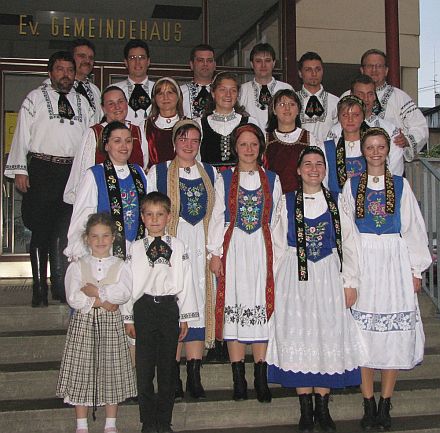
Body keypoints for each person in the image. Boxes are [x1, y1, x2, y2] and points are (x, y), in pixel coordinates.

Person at [266, 146, 365, 432]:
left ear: (325, 169)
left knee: (327, 337)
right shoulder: (286, 202)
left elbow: (350, 243)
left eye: (319, 163)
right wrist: (273, 286)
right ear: (297, 170)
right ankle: (305, 409)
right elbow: (276, 245)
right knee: (300, 338)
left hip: (328, 277)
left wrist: (350, 282)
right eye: (307, 164)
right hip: (294, 280)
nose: (313, 168)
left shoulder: (337, 202)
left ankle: (323, 406)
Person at [342, 127, 431, 430]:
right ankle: (367, 402)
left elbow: (414, 230)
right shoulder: (351, 186)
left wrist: (415, 270)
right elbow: (346, 234)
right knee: (364, 335)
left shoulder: (401, 186)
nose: (376, 152)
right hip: (364, 263)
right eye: (370, 147)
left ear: (388, 151)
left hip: (394, 264)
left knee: (391, 337)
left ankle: (385, 402)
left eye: (381, 146)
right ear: (363, 152)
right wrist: (348, 278)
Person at [4, 51, 93, 306]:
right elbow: (21, 134)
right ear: (50, 72)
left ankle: (60, 285)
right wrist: (21, 169)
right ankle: (39, 288)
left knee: (65, 230)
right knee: (41, 231)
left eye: (69, 69)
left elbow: (89, 139)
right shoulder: (35, 98)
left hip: (72, 171)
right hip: (42, 169)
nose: (65, 74)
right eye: (60, 69)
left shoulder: (83, 102)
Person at [208, 123, 282, 403]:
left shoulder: (272, 179)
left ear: (260, 148)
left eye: (253, 144)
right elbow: (217, 215)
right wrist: (214, 252)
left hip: (262, 249)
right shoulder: (224, 178)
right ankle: (238, 377)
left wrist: (277, 258)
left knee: (261, 307)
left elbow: (276, 222)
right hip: (235, 247)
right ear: (235, 148)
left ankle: (260, 377)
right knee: (234, 307)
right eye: (243, 145)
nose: (249, 150)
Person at [147, 120, 216, 400]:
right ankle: (171, 374)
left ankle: (194, 374)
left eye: (195, 141)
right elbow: (150, 210)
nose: (189, 145)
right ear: (175, 141)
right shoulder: (159, 171)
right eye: (184, 139)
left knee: (197, 304)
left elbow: (219, 214)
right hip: (170, 247)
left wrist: (215, 251)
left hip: (200, 245)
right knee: (174, 306)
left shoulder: (210, 172)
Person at [122, 192, 199, 433]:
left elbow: (187, 281)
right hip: (143, 308)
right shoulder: (134, 248)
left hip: (168, 308)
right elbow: (128, 283)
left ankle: (164, 421)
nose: (155, 219)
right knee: (144, 370)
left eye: (160, 214)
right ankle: (148, 421)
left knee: (167, 368)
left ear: (168, 216)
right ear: (142, 218)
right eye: (149, 214)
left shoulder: (178, 246)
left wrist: (185, 316)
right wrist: (128, 316)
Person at [56, 212, 136, 433]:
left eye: (105, 236)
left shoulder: (121, 265)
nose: (100, 241)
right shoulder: (78, 265)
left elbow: (123, 293)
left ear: (113, 238)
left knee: (110, 370)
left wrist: (96, 292)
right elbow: (74, 296)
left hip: (111, 326)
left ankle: (111, 423)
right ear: (87, 239)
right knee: (82, 370)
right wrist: (102, 301)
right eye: (95, 236)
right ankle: (81, 424)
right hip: (83, 324)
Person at [65, 121, 147, 261]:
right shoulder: (95, 174)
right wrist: (77, 250)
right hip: (105, 251)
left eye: (128, 141)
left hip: (137, 249)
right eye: (117, 141)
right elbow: (82, 214)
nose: (124, 146)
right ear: (107, 145)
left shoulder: (139, 172)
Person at [64, 85, 148, 204]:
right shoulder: (94, 133)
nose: (117, 107)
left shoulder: (137, 131)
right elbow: (83, 172)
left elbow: (144, 166)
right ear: (103, 108)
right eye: (111, 104)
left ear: (126, 104)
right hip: (103, 201)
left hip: (133, 200)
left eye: (120, 101)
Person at [353, 48, 428, 153]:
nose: (374, 70)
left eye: (379, 66)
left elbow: (420, 127)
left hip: (392, 163)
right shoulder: (349, 96)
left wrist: (406, 140)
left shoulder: (400, 97)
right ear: (362, 70)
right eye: (370, 66)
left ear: (386, 71)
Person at [351, 74, 413, 176]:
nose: (365, 99)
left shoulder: (391, 130)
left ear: (375, 96)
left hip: (384, 187)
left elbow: (396, 166)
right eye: (360, 94)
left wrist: (377, 184)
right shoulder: (337, 130)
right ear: (351, 95)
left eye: (370, 94)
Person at [264, 88, 322, 193]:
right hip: (273, 195)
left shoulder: (309, 138)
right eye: (282, 104)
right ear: (274, 110)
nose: (287, 108)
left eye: (292, 104)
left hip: (302, 196)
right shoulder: (265, 140)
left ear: (298, 110)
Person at [198, 71, 258, 171]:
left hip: (241, 182)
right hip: (209, 182)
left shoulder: (249, 123)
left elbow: (258, 158)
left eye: (233, 90)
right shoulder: (199, 125)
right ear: (213, 93)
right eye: (222, 90)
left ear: (238, 94)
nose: (228, 95)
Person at [239, 43, 293, 131]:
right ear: (252, 64)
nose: (263, 65)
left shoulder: (286, 89)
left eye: (267, 60)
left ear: (274, 63)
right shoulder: (242, 90)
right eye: (258, 61)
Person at [324, 95, 370, 194]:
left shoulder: (372, 146)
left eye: (355, 115)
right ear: (339, 118)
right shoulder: (327, 147)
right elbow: (323, 183)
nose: (350, 120)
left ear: (363, 117)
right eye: (345, 115)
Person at [296, 52, 338, 142]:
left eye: (318, 69)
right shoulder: (292, 101)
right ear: (300, 73)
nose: (314, 74)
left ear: (323, 71)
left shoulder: (335, 102)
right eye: (308, 70)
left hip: (327, 153)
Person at [145, 77, 184, 169]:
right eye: (160, 93)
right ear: (154, 98)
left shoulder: (189, 124)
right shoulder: (145, 126)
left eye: (170, 92)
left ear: (178, 96)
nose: (165, 97)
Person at [114, 39, 155, 126]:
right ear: (126, 62)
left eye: (141, 58)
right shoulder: (115, 90)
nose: (137, 62)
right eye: (132, 58)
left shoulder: (159, 89)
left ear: (148, 61)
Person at [71, 38, 103, 124]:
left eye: (91, 58)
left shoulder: (95, 90)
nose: (87, 61)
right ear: (71, 58)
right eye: (82, 56)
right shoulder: (60, 87)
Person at [181, 44, 216, 119]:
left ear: (214, 65)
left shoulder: (223, 92)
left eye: (209, 61)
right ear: (191, 64)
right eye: (200, 60)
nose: (205, 64)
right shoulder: (180, 92)